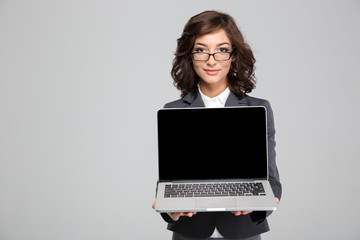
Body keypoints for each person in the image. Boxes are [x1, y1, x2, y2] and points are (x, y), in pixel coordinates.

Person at [152, 10, 282, 240]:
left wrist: (260, 204)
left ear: (233, 56)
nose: (211, 60)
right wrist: (169, 211)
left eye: (222, 50)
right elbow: (168, 181)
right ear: (189, 56)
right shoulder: (174, 111)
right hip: (190, 231)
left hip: (243, 231)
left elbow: (271, 180)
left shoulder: (258, 109)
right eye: (201, 50)